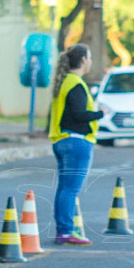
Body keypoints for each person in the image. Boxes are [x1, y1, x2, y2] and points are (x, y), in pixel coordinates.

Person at [48, 44, 104, 245]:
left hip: (62, 141)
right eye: (89, 58)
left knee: (64, 188)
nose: (90, 61)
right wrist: (100, 112)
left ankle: (63, 230)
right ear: (82, 60)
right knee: (70, 190)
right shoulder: (76, 84)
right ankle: (65, 231)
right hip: (76, 142)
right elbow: (80, 114)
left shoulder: (64, 82)